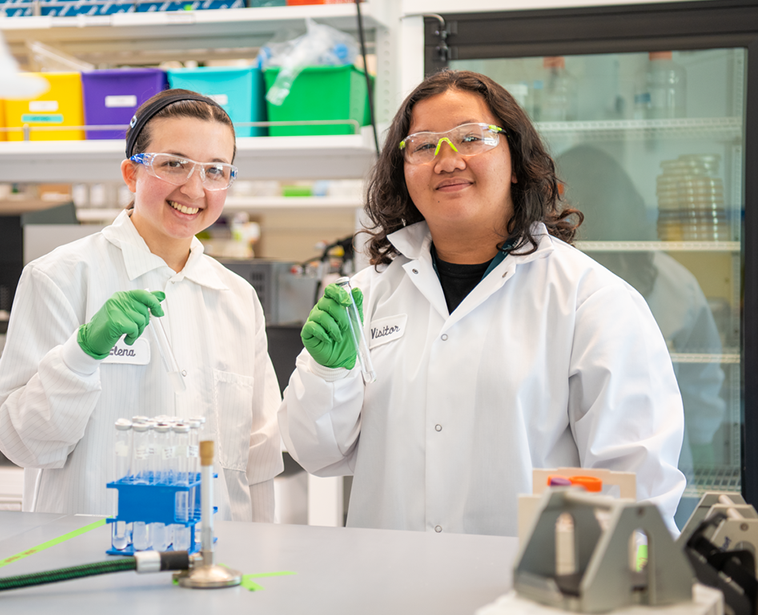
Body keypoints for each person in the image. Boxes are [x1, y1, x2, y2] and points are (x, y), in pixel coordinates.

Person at [278, 69, 686, 536]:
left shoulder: (591, 301)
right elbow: (316, 454)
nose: (447, 160)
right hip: (388, 592)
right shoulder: (365, 297)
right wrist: (328, 376)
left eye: (471, 138)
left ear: (516, 162)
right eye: (424, 145)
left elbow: (633, 488)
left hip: (524, 598)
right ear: (403, 171)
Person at [0, 89, 283, 521]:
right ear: (131, 172)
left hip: (211, 559)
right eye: (174, 164)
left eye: (215, 170)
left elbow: (258, 455)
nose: (195, 188)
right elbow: (22, 442)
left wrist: (256, 555)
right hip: (89, 554)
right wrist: (80, 355)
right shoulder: (60, 276)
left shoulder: (236, 297)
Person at [557, 145, 726, 493]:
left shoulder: (556, 284)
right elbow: (702, 382)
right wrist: (705, 447)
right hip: (660, 466)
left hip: (609, 480)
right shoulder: (676, 281)